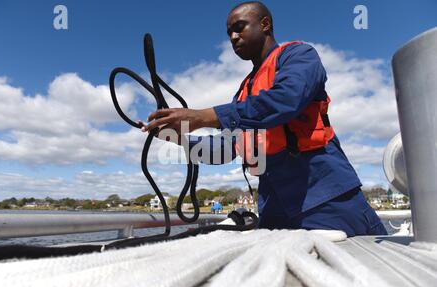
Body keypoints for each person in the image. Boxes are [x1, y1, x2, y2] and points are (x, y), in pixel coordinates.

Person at [143, 1, 387, 237]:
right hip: (274, 211)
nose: (233, 37)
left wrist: (204, 116)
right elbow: (225, 149)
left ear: (265, 24)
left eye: (240, 27)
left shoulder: (298, 55)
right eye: (229, 33)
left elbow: (286, 99)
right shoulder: (242, 94)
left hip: (325, 199)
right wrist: (177, 138)